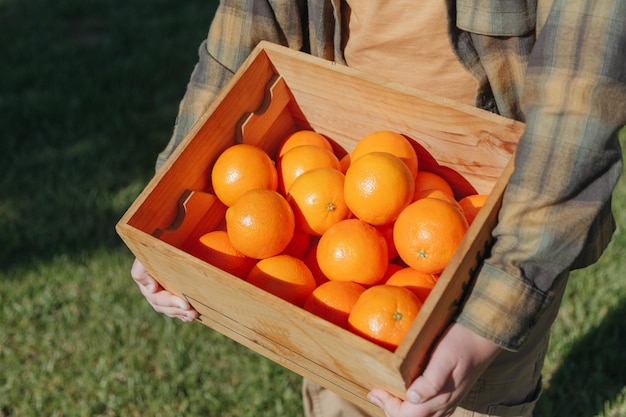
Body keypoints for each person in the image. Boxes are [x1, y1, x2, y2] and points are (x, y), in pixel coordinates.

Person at [130, 1, 626, 416]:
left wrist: (487, 325)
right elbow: (246, 25)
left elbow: (580, 106)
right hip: (342, 163)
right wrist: (164, 211)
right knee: (342, 393)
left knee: (473, 402)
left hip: (501, 225)